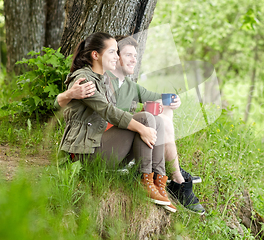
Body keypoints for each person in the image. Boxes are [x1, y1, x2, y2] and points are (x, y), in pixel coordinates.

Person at [57, 35, 205, 215]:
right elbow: (108, 111)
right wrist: (142, 128)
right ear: (96, 55)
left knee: (155, 119)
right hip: (82, 154)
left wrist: (172, 98)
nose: (116, 56)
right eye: (113, 52)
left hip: (99, 144)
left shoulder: (107, 80)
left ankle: (157, 180)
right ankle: (145, 179)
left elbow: (150, 95)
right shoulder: (85, 79)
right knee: (145, 119)